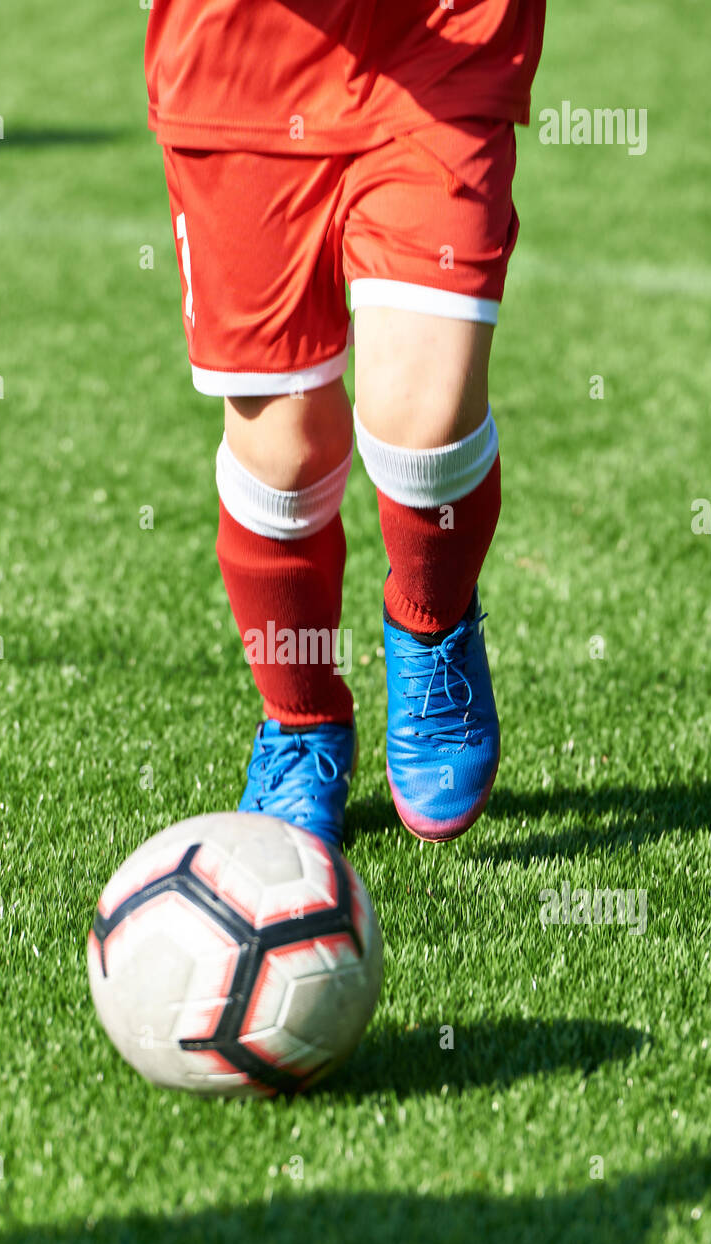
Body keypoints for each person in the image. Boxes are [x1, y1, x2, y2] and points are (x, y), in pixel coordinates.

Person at [145, 1, 546, 847]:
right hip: (239, 63)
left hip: (441, 40)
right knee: (282, 459)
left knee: (422, 423)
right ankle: (302, 724)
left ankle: (431, 626)